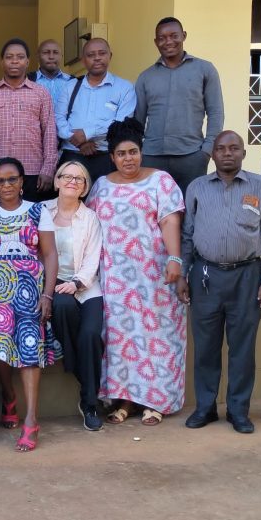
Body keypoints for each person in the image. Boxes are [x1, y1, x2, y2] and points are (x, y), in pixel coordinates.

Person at [177, 131, 261, 434]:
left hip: (248, 276)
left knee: (242, 348)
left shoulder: (259, 186)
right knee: (206, 347)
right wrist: (183, 275)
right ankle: (206, 407)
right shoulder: (198, 187)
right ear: (212, 154)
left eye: (234, 148)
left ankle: (239, 411)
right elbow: (187, 237)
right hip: (206, 276)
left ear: (243, 153)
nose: (227, 153)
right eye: (221, 148)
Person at [87, 118, 186, 426]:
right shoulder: (101, 185)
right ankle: (126, 400)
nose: (128, 159)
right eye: (121, 154)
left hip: (154, 273)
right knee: (122, 339)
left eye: (133, 152)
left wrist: (174, 259)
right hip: (116, 277)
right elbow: (89, 224)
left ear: (141, 152)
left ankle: (155, 401)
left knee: (158, 335)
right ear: (112, 157)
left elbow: (170, 221)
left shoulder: (161, 181)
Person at [0, 158, 61, 451]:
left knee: (29, 350)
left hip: (30, 292)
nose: (7, 186)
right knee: (1, 350)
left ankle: (31, 420)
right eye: (0, 181)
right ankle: (8, 395)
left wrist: (48, 294)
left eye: (12, 179)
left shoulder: (38, 212)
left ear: (22, 181)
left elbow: (50, 255)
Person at [45, 160, 105, 432]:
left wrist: (77, 282)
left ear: (84, 188)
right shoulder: (41, 211)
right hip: (51, 283)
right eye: (66, 176)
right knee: (63, 307)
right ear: (56, 181)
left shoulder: (90, 217)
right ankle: (91, 398)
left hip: (86, 284)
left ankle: (84, 392)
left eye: (79, 179)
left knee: (91, 334)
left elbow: (93, 257)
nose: (72, 181)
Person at [135, 17, 224, 195]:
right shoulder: (146, 77)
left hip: (192, 155)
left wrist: (206, 151)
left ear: (183, 36)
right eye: (162, 38)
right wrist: (141, 151)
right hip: (152, 157)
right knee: (152, 211)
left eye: (174, 36)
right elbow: (138, 119)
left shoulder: (205, 69)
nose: (168, 41)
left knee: (190, 211)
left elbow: (216, 113)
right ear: (155, 42)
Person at [0, 39, 57, 203]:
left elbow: (50, 133)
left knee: (32, 226)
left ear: (28, 61)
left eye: (20, 57)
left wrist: (48, 169)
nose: (15, 61)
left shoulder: (41, 93)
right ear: (1, 62)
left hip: (33, 174)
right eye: (9, 57)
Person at [56, 38, 136, 185]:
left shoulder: (124, 88)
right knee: (70, 203)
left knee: (105, 205)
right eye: (91, 55)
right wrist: (79, 142)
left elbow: (121, 123)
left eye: (102, 53)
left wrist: (87, 133)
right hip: (72, 156)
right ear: (83, 60)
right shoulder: (70, 87)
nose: (97, 58)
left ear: (110, 56)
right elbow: (58, 119)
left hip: (106, 158)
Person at [26, 39, 76, 109]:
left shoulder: (73, 82)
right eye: (46, 52)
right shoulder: (28, 81)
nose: (51, 57)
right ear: (38, 57)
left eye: (55, 53)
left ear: (61, 56)